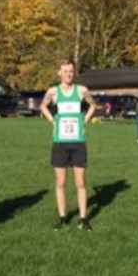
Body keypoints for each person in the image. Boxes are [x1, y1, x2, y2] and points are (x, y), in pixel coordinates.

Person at [40, 60, 97, 230]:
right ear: (59, 73)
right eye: (65, 71)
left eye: (71, 71)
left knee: (80, 182)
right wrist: (53, 121)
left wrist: (84, 120)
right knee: (60, 182)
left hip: (78, 142)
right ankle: (63, 217)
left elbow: (93, 105)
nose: (68, 74)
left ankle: (83, 218)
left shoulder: (81, 90)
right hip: (60, 142)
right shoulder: (53, 92)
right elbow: (43, 106)